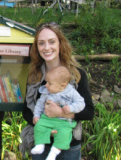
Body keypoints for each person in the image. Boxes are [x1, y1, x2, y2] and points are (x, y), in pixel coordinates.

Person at [19, 22, 94, 160]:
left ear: (60, 44)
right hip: (41, 142)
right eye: (41, 43)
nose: (46, 48)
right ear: (37, 47)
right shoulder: (34, 76)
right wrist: (43, 124)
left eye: (51, 42)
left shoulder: (77, 75)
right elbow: (26, 111)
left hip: (68, 145)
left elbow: (89, 112)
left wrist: (61, 113)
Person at [31, 66, 85, 160]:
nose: (46, 85)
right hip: (47, 119)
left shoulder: (71, 93)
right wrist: (36, 115)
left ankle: (53, 153)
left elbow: (81, 103)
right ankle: (40, 145)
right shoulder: (47, 92)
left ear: (62, 85)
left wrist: (70, 108)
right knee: (38, 126)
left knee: (64, 133)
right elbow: (39, 104)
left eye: (50, 83)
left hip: (63, 122)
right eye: (46, 82)